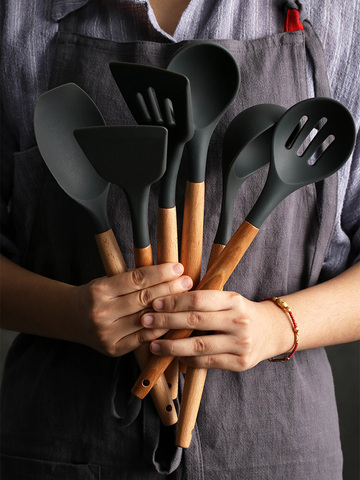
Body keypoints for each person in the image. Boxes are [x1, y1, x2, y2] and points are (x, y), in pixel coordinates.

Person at [1, 0, 359, 478]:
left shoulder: (337, 10)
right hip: (63, 439)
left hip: (276, 446)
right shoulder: (18, 12)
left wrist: (278, 326)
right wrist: (69, 313)